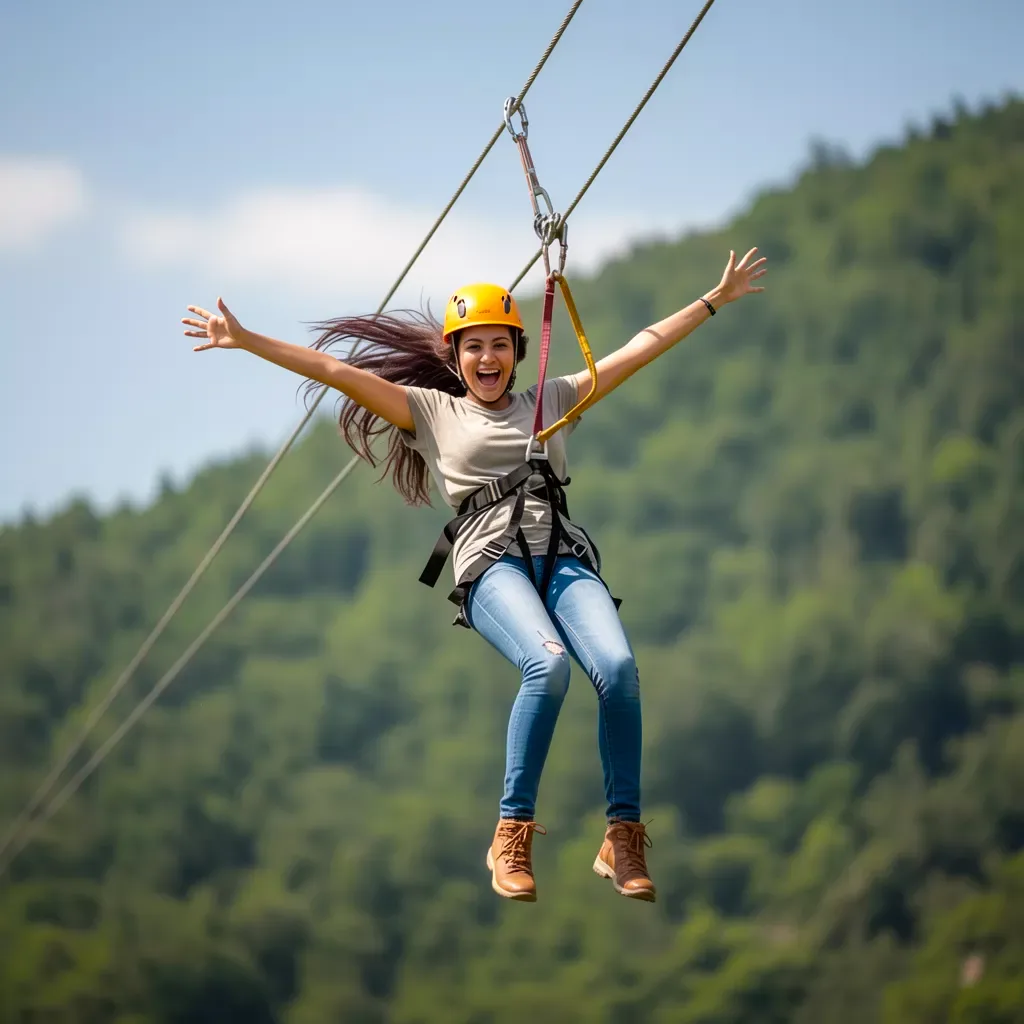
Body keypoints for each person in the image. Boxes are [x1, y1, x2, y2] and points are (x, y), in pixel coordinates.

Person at [182, 247, 767, 903]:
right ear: (456, 357)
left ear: (517, 352)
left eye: (499, 345)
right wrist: (245, 339)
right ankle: (511, 833)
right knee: (548, 665)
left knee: (620, 669)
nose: (488, 359)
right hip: (491, 566)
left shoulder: (553, 397)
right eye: (474, 347)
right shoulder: (432, 411)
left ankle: (621, 836)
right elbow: (334, 370)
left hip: (562, 558)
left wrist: (713, 300)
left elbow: (638, 349)